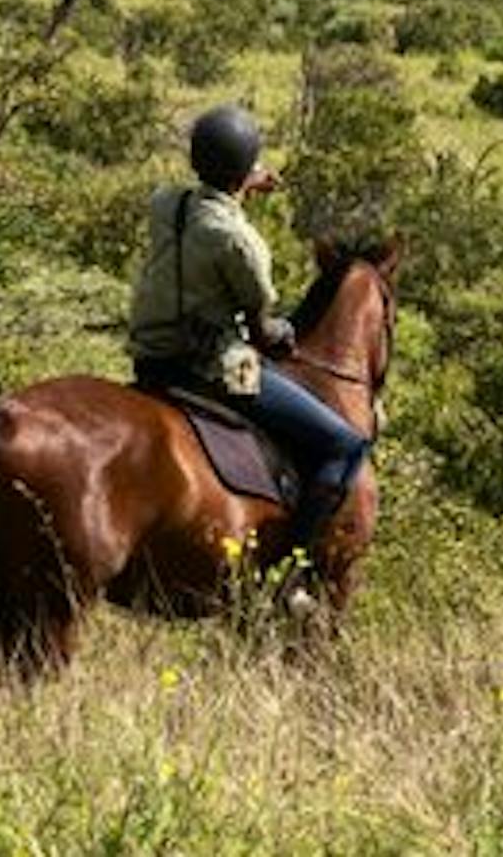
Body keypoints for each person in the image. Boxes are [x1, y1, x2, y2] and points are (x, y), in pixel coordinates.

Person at [128, 103, 370, 577]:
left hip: (152, 358)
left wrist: (239, 187)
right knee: (344, 444)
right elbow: (262, 328)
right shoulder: (242, 242)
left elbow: (207, 212)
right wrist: (281, 333)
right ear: (244, 169)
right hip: (212, 369)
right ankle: (293, 569)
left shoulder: (166, 204)